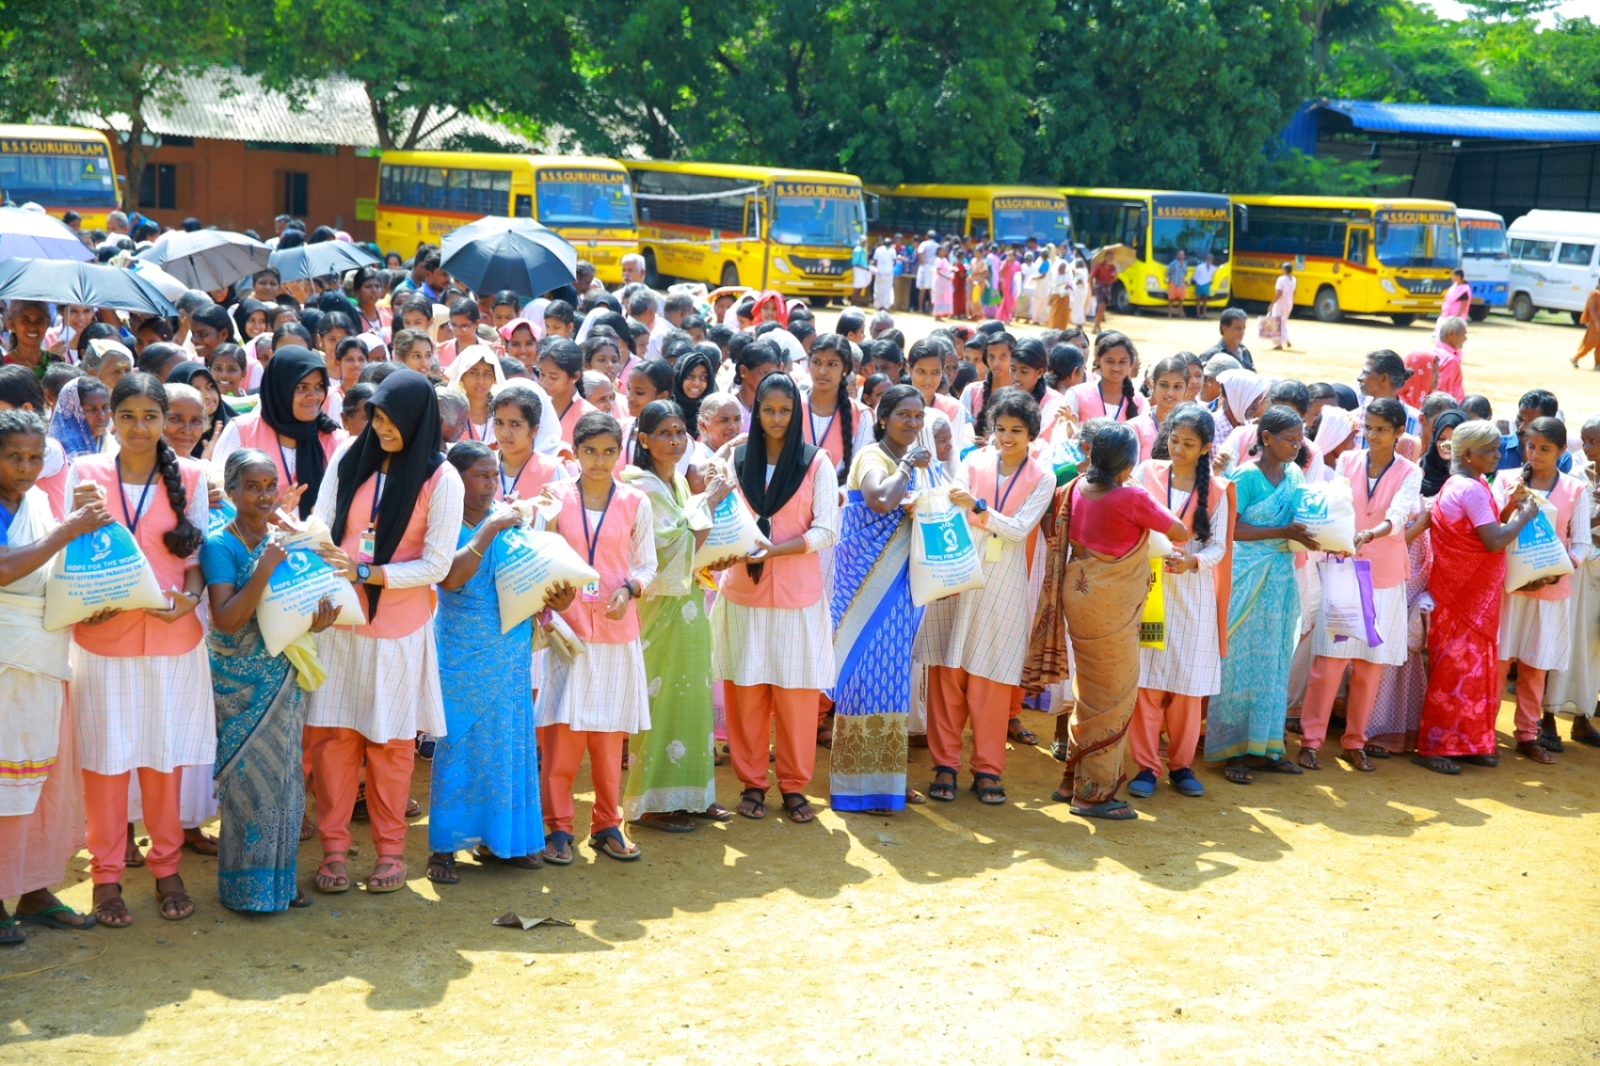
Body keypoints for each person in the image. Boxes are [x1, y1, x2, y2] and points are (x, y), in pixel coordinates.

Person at [307, 370, 464, 893]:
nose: (382, 426)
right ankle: (333, 851)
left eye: (393, 418)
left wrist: (369, 574)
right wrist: (313, 544)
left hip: (398, 630)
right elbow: (321, 521)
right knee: (334, 740)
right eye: (376, 415)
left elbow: (438, 564)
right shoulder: (352, 457)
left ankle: (391, 853)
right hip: (340, 621)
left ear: (420, 420)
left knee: (391, 746)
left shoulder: (442, 478)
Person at [69, 373, 213, 926]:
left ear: (162, 420)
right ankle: (106, 876)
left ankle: (166, 865)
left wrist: (191, 600)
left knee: (164, 756)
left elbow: (197, 558)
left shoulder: (194, 475)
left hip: (173, 639)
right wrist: (87, 601)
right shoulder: (87, 473)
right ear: (110, 417)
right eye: (125, 415)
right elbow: (70, 550)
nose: (138, 427)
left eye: (150, 416)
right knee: (106, 761)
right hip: (104, 639)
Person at [1026, 422, 1188, 818]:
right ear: (1128, 462)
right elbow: (1180, 530)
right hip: (1110, 605)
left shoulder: (1077, 487)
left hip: (1078, 595)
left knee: (1090, 691)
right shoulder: (1132, 496)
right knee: (1112, 699)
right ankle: (1092, 794)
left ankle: (1072, 780)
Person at [202, 450, 339, 912]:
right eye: (253, 487)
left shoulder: (287, 539)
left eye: (270, 486)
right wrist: (263, 568)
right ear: (233, 491)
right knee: (246, 783)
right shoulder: (219, 544)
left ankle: (281, 880)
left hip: (282, 672)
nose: (263, 496)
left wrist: (314, 623)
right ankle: (245, 887)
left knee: (284, 779)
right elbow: (225, 619)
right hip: (237, 681)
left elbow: (293, 605)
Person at [709, 373, 838, 824]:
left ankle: (795, 785)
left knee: (796, 696)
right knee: (746, 693)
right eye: (768, 410)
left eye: (785, 410)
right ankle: (752, 783)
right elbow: (718, 515)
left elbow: (827, 529)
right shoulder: (736, 459)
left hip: (797, 598)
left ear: (796, 411)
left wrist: (777, 550)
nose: (777, 418)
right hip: (744, 593)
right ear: (756, 411)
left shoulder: (816, 462)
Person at [917, 388, 1054, 807]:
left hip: (1004, 581)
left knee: (992, 679)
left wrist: (976, 506)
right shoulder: (972, 460)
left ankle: (989, 768)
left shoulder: (1042, 477)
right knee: (947, 672)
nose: (1007, 437)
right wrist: (972, 508)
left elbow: (1018, 530)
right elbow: (948, 504)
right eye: (1000, 429)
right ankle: (944, 764)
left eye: (1016, 430)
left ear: (1032, 434)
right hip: (956, 568)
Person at [0, 411, 108, 941]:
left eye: (34, 456)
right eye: (13, 456)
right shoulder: (46, 513)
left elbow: (54, 577)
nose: (25, 466)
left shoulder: (40, 502)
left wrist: (91, 603)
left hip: (45, 656)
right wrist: (71, 529)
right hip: (6, 658)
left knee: (43, 778)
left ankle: (37, 888)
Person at [532, 412, 656, 863]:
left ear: (619, 452)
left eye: (608, 452)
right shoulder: (556, 498)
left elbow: (647, 564)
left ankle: (607, 822)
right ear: (575, 451)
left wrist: (630, 589)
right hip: (567, 630)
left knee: (609, 735)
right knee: (562, 735)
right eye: (590, 452)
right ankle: (558, 828)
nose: (599, 461)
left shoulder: (635, 502)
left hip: (616, 628)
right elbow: (540, 554)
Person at [424, 442, 544, 884]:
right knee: (459, 741)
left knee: (507, 742)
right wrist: (490, 527)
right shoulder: (445, 524)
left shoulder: (512, 523)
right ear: (457, 480)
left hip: (510, 646)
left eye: (495, 475)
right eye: (481, 475)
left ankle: (506, 841)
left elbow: (538, 574)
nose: (492, 483)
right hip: (461, 646)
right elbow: (450, 579)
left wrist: (559, 593)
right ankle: (445, 846)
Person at [619, 402, 732, 831]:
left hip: (686, 609)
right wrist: (713, 500)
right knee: (660, 700)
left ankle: (694, 795)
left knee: (691, 701)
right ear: (644, 439)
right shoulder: (640, 485)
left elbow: (690, 544)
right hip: (658, 609)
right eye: (664, 433)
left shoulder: (677, 486)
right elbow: (673, 544)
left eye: (680, 432)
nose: (674, 441)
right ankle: (651, 803)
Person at [1295, 399, 1422, 772]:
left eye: (1382, 428)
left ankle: (1355, 740)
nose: (1373, 434)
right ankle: (1311, 741)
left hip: (1382, 574)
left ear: (1400, 432)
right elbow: (1333, 502)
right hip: (1344, 567)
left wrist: (1372, 532)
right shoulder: (1348, 461)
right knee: (1328, 662)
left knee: (1371, 663)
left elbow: (1399, 515)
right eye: (1369, 427)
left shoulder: (1409, 471)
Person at [1413, 419, 1542, 775]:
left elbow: (1485, 528)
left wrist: (1508, 510)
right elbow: (1493, 540)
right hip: (1464, 596)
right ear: (1468, 454)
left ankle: (1469, 743)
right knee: (1454, 670)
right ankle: (1434, 746)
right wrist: (1525, 516)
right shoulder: (1470, 488)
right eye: (1490, 450)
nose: (1497, 456)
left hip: (1468, 594)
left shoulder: (1466, 483)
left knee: (1471, 669)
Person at [828, 385, 930, 813]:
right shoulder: (873, 456)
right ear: (883, 417)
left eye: (918, 416)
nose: (912, 423)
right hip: (866, 590)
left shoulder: (916, 465)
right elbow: (880, 499)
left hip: (900, 588)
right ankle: (853, 784)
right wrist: (908, 464)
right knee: (863, 681)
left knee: (891, 683)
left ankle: (887, 778)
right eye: (904, 414)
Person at [1205, 405, 1318, 783]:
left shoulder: (1295, 473)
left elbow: (1301, 518)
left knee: (1274, 662)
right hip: (1247, 577)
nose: (1296, 446)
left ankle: (1269, 747)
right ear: (1266, 439)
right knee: (1239, 662)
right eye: (1289, 439)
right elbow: (1231, 529)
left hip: (1280, 581)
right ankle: (1234, 751)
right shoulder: (1247, 476)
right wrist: (1283, 532)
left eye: (1300, 439)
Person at [1126, 406, 1233, 799]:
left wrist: (1194, 561)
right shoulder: (1146, 473)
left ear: (1206, 448)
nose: (1178, 449)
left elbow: (1220, 544)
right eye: (1173, 440)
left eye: (1189, 444)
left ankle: (1182, 764)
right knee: (1147, 682)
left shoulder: (1218, 490)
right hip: (1149, 587)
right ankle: (1146, 766)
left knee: (1187, 686)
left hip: (1193, 593)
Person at [1491, 417, 1587, 767]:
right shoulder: (1506, 480)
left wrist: (1553, 573)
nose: (1536, 454)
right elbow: (1493, 527)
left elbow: (1581, 544)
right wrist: (1507, 503)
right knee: (1500, 662)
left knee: (1535, 666)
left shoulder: (1575, 489)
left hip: (1549, 591)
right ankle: (1486, 731)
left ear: (1562, 451)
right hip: (1511, 587)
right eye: (1531, 447)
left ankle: (1527, 734)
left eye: (1545, 449)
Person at [212, 346, 344, 520]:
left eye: (319, 386)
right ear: (280, 389)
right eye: (302, 387)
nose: (314, 396)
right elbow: (218, 495)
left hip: (315, 543)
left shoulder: (334, 439)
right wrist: (271, 514)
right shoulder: (242, 431)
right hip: (252, 542)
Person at [1262, 262, 1296, 351]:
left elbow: (1279, 293)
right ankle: (1286, 339)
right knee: (1283, 323)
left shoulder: (1281, 279)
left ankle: (1279, 344)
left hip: (1280, 303)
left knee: (1276, 322)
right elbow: (1294, 292)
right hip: (1289, 303)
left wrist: (1272, 304)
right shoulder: (1293, 279)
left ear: (1285, 270)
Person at [1574, 278, 1600, 369]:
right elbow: (1591, 310)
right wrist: (1597, 322)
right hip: (1594, 324)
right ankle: (1576, 358)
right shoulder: (1594, 295)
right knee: (1591, 343)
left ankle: (1598, 364)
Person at [1089, 256, 1116, 334]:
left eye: (1112, 257)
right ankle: (1096, 327)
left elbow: (1114, 279)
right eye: (1109, 256)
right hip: (1099, 287)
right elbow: (1091, 277)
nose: (1111, 258)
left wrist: (1115, 275)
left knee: (1102, 308)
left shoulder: (1113, 268)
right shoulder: (1099, 266)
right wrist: (1092, 289)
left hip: (1107, 288)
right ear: (1105, 258)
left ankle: (1097, 326)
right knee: (1101, 306)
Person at [915, 231, 939, 314]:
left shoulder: (924, 244)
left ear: (926, 236)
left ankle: (920, 309)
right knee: (932, 290)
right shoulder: (937, 245)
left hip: (925, 267)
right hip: (934, 268)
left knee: (922, 289)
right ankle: (931, 310)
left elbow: (919, 252)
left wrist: (922, 263)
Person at [871, 238, 897, 311]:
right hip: (888, 274)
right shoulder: (892, 250)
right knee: (887, 290)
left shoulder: (878, 250)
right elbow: (894, 262)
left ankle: (879, 306)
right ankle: (885, 306)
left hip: (879, 274)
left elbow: (875, 261)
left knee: (878, 290)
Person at [1165, 250, 1187, 318]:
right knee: (1171, 300)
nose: (1181, 256)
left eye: (1182, 255)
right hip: (1173, 283)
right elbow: (1168, 272)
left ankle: (1180, 314)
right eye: (1180, 255)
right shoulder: (1173, 264)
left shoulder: (1184, 264)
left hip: (1181, 284)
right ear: (1177, 256)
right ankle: (1170, 314)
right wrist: (1170, 279)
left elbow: (1185, 273)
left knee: (1181, 300)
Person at [1193, 254, 1216, 319]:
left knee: (1205, 301)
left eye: (1210, 259)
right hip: (1199, 284)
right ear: (1206, 259)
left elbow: (1212, 276)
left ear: (1212, 260)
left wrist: (1209, 282)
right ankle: (1198, 314)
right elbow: (1195, 277)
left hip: (1207, 284)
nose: (1209, 260)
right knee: (1198, 300)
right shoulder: (1199, 267)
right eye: (1208, 259)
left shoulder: (1213, 268)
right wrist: (1197, 282)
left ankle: (1204, 314)